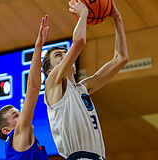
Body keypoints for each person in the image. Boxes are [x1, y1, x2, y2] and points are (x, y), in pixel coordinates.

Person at [42, 0, 129, 160]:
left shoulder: (83, 89)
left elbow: (121, 59)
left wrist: (117, 18)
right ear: (50, 71)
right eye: (58, 55)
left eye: (65, 52)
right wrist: (83, 13)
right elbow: (80, 40)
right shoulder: (53, 84)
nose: (66, 56)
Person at [0, 15, 49, 160]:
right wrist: (38, 46)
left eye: (19, 113)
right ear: (7, 130)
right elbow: (34, 87)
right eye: (16, 116)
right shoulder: (18, 135)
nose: (22, 115)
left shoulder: (26, 145)